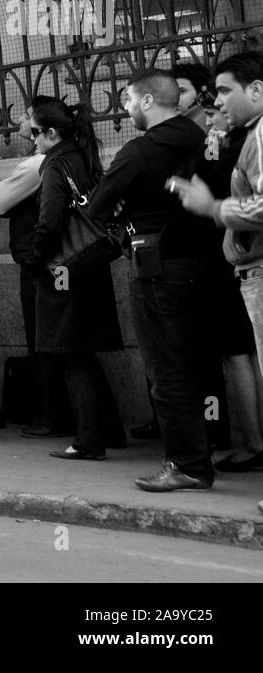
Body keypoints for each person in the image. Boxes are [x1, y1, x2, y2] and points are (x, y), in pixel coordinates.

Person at [87, 69, 214, 492]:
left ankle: (187, 463)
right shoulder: (200, 139)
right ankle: (203, 451)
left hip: (155, 265)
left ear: (146, 101)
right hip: (202, 261)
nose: (124, 108)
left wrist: (122, 206)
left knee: (166, 368)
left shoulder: (139, 151)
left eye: (127, 100)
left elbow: (97, 206)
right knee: (194, 363)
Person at [172, 51, 263, 500]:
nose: (218, 105)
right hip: (231, 260)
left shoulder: (232, 134)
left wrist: (213, 208)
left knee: (236, 352)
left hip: (233, 261)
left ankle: (251, 441)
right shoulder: (227, 133)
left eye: (221, 93)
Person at [21, 100, 126, 462]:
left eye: (35, 132)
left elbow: (49, 222)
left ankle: (87, 440)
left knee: (70, 355)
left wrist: (36, 261)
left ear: (52, 133)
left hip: (64, 269)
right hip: (90, 263)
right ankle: (106, 431)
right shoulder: (83, 156)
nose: (31, 138)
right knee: (84, 352)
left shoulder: (55, 164)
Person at [0, 97, 74, 439]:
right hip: (70, 261)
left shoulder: (39, 163)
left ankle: (54, 415)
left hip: (44, 263)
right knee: (71, 347)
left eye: (27, 119)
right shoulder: (74, 156)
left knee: (45, 342)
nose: (22, 123)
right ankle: (91, 422)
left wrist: (35, 253)